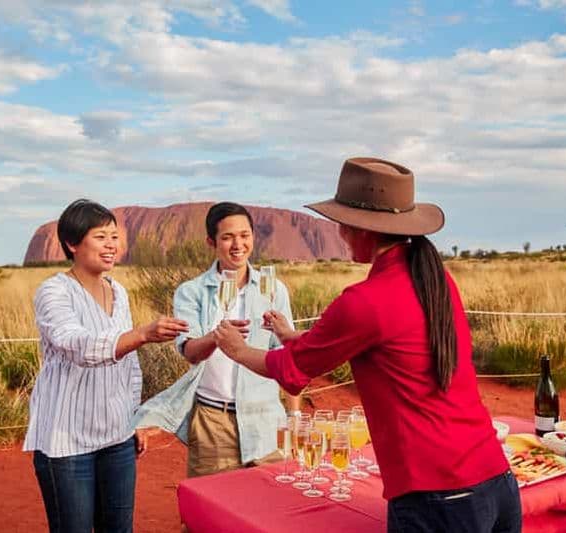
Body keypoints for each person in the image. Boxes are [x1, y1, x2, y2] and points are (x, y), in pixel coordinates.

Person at [214, 159, 522, 533]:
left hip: (437, 495)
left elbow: (292, 371)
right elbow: (387, 342)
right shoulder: (435, 278)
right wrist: (293, 336)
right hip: (495, 478)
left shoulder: (366, 300)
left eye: (344, 223)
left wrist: (237, 349)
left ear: (361, 229)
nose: (341, 232)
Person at [23, 199, 189, 533]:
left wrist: (135, 418)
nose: (112, 244)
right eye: (101, 237)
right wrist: (142, 333)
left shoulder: (119, 292)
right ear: (72, 243)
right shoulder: (54, 291)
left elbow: (128, 367)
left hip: (117, 438)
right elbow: (77, 345)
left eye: (115, 236)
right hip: (66, 443)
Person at [133, 202, 301, 477]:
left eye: (244, 235)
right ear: (211, 242)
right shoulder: (192, 292)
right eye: (227, 237)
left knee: (268, 511)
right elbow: (190, 352)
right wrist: (217, 337)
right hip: (213, 423)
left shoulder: (273, 290)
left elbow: (289, 357)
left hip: (266, 421)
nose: (238, 244)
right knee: (209, 514)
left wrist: (294, 419)